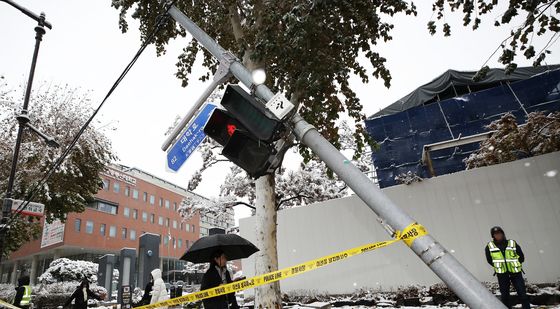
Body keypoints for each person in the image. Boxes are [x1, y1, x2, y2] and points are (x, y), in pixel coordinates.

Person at [485, 226, 531, 309]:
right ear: (493, 236)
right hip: (502, 274)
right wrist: (499, 266)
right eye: (496, 234)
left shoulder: (512, 243)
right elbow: (489, 260)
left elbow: (521, 257)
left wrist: (515, 264)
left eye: (499, 233)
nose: (498, 235)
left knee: (522, 294)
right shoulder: (489, 246)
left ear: (503, 234)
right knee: (505, 296)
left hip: (515, 273)